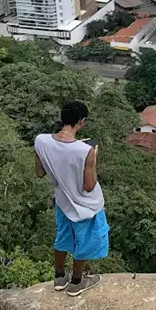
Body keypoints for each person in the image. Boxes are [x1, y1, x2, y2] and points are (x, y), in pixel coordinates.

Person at [34, 100, 108, 296]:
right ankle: (76, 282)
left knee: (63, 237)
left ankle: (59, 277)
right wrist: (94, 156)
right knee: (82, 242)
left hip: (63, 201)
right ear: (82, 121)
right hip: (85, 205)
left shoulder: (41, 140)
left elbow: (40, 172)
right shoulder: (86, 151)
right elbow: (89, 186)